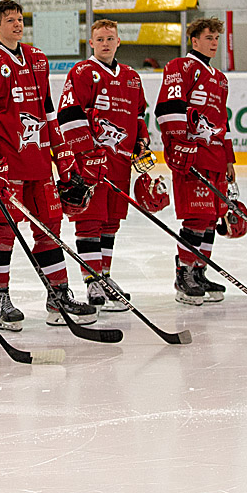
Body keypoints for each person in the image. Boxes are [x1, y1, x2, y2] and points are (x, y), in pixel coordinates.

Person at [0, 0, 97, 331]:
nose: (17, 25)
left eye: (20, 19)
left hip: (39, 165)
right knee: (2, 231)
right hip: (6, 166)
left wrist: (61, 155)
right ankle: (0, 298)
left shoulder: (37, 59)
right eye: (10, 20)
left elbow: (48, 110)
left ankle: (58, 296)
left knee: (49, 229)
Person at [57, 20, 151, 312]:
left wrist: (141, 143)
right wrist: (86, 152)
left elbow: (138, 117)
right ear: (92, 44)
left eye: (111, 38)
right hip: (90, 163)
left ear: (119, 42)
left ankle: (106, 276)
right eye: (100, 39)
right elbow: (68, 114)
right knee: (90, 221)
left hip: (120, 162)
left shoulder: (132, 77)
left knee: (111, 221)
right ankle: (91, 280)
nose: (106, 43)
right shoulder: (83, 72)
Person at [155, 17, 235, 305]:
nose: (214, 43)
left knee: (212, 217)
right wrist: (181, 144)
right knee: (197, 216)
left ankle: (200, 270)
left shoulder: (220, 78)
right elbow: (167, 107)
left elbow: (222, 121)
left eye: (216, 39)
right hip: (192, 155)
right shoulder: (181, 67)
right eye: (209, 38)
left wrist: (229, 158)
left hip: (215, 157)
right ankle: (184, 273)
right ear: (195, 40)